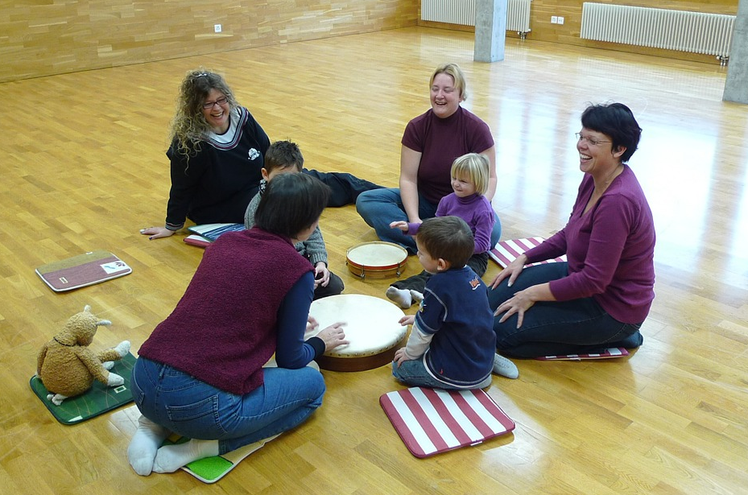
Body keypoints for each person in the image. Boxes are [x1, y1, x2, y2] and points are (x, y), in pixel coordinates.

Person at [127, 173, 349, 476]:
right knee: (313, 387)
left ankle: (150, 429)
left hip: (141, 380)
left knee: (183, 374)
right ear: (309, 225)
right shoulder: (298, 268)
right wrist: (320, 341)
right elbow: (291, 358)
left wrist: (285, 316)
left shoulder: (225, 242)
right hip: (201, 407)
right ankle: (204, 447)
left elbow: (225, 305)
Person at [488, 102, 655, 358]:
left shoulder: (618, 201)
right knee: (492, 298)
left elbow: (593, 281)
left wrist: (532, 294)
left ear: (619, 149)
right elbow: (571, 233)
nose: (581, 146)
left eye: (593, 141)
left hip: (612, 307)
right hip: (580, 277)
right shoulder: (593, 175)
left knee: (503, 333)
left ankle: (619, 335)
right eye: (581, 136)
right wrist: (525, 257)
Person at [140, 68, 382, 240]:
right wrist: (172, 226)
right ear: (195, 109)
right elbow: (182, 188)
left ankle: (388, 196)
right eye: (207, 104)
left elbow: (268, 150)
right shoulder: (190, 142)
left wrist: (286, 175)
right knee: (276, 206)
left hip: (263, 180)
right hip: (221, 204)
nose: (217, 108)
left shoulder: (242, 117)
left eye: (221, 100)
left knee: (317, 180)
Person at [356, 62, 502, 254]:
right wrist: (414, 218)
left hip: (465, 206)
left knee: (493, 234)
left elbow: (490, 177)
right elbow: (408, 179)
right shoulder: (417, 127)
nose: (439, 95)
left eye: (447, 90)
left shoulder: (477, 128)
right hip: (426, 202)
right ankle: (439, 241)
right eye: (435, 89)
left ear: (461, 95)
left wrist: (478, 206)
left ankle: (425, 241)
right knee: (367, 201)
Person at [392, 216, 518, 390]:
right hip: (481, 354)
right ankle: (485, 362)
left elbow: (422, 333)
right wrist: (420, 316)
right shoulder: (474, 277)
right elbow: (464, 315)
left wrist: (409, 353)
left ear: (441, 264)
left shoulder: (438, 286)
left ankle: (471, 376)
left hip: (457, 374)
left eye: (421, 253)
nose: (418, 255)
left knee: (399, 368)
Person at [385, 153, 494, 309]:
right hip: (447, 251)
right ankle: (407, 292)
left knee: (460, 279)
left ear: (478, 183)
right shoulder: (447, 201)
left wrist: (456, 248)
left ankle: (428, 298)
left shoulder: (483, 210)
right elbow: (435, 226)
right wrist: (410, 227)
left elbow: (483, 244)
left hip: (472, 256)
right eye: (454, 178)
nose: (456, 183)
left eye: (463, 181)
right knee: (431, 271)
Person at [244, 140, 344, 299]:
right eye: (280, 178)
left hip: (301, 263)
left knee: (334, 285)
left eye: (293, 178)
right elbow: (263, 259)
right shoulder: (256, 209)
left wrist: (320, 263)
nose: (287, 185)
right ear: (265, 174)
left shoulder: (301, 197)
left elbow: (314, 234)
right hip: (274, 272)